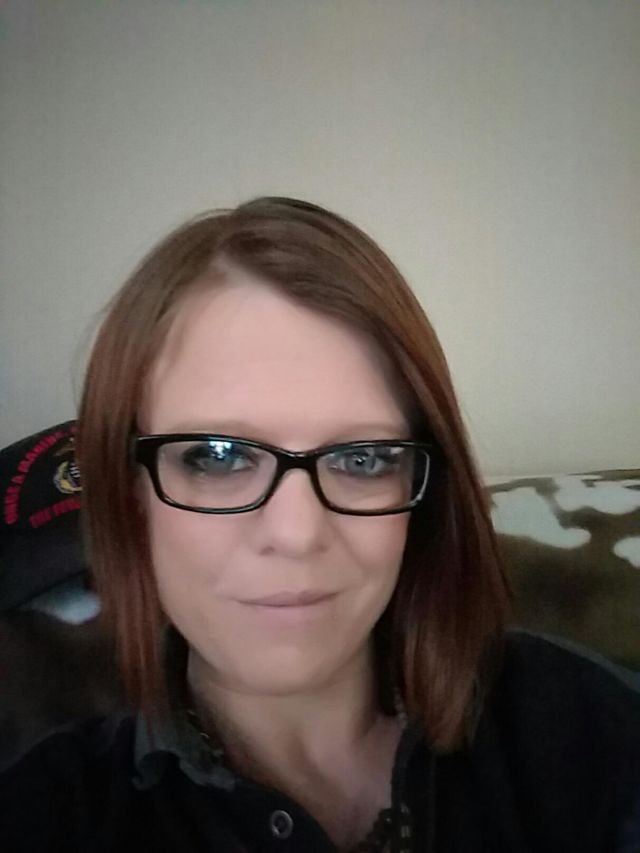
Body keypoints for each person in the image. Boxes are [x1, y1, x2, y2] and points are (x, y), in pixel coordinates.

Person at [1, 196, 639, 852]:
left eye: (363, 458)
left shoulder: (579, 729)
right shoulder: (47, 815)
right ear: (130, 490)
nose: (298, 533)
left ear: (422, 493)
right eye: (218, 456)